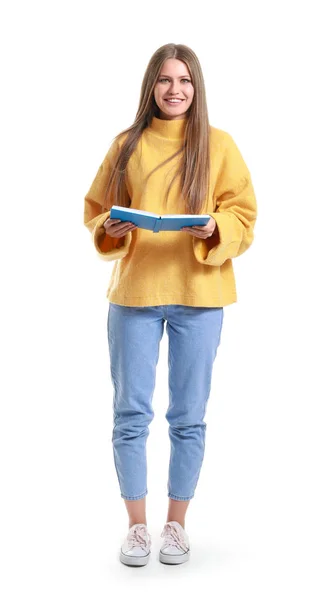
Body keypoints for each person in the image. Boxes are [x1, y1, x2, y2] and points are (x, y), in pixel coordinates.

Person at [83, 43, 257, 567]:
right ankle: (137, 529)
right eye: (164, 80)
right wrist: (108, 227)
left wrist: (216, 225)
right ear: (150, 87)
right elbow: (95, 211)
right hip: (134, 295)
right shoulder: (126, 144)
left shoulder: (219, 145)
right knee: (129, 415)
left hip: (199, 296)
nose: (174, 89)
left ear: (196, 87)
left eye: (183, 80)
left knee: (188, 416)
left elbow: (244, 217)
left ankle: (176, 525)